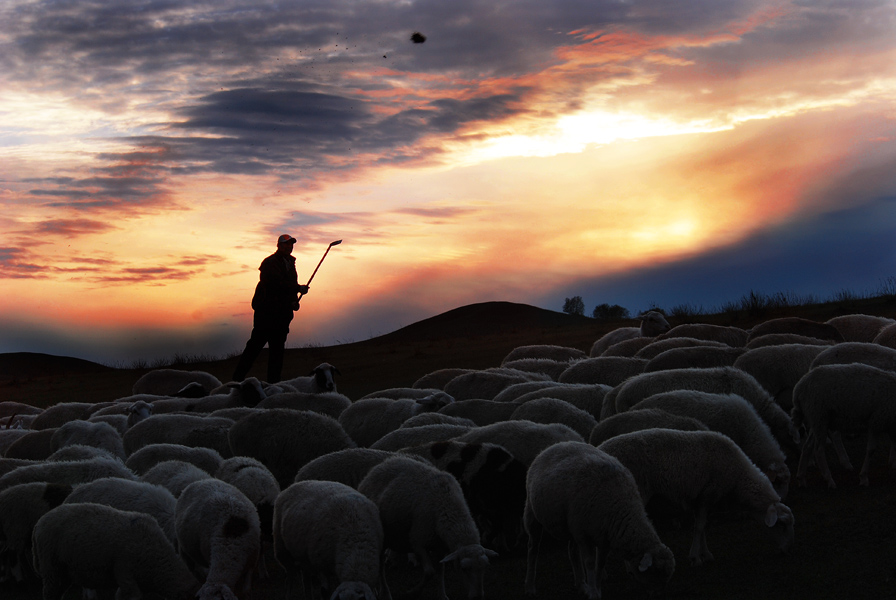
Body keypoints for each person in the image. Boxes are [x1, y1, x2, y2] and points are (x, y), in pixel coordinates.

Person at [232, 234, 309, 383]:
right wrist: (297, 288)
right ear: (278, 245)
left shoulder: (290, 263)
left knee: (277, 351)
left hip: (282, 315)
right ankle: (236, 381)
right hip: (267, 314)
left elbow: (289, 288)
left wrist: (294, 301)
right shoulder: (270, 263)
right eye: (286, 244)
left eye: (291, 244)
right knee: (254, 348)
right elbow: (275, 284)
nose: (289, 247)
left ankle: (273, 384)